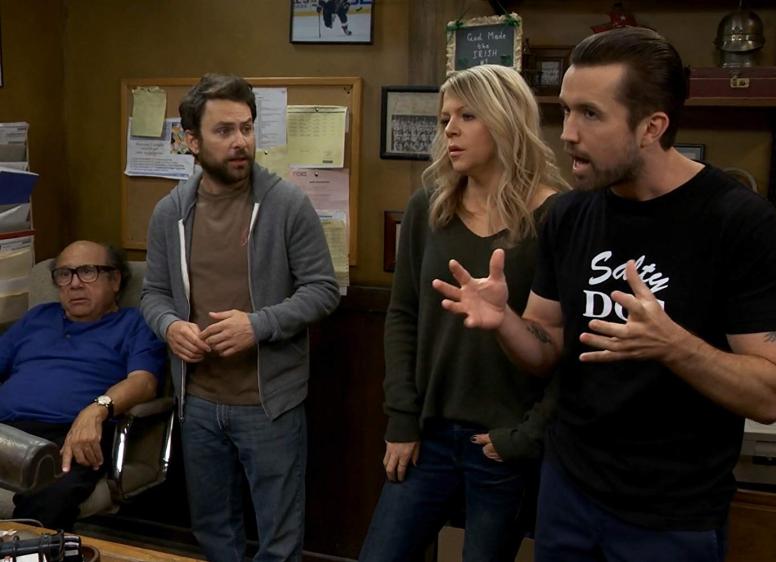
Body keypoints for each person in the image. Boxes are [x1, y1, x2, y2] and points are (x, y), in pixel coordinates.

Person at [433, 27, 776, 562]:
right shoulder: (570, 215)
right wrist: (504, 322)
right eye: (566, 111)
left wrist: (673, 345)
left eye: (590, 114)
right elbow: (546, 348)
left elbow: (768, 394)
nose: (568, 133)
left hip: (671, 514)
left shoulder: (738, 221)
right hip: (567, 492)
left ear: (652, 127)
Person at [359, 64, 568, 562]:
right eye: (444, 119)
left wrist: (527, 436)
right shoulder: (429, 208)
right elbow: (402, 316)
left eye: (467, 116)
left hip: (501, 443)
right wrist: (402, 420)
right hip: (429, 435)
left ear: (505, 120)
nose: (449, 129)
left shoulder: (556, 216)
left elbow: (572, 343)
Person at [140, 73, 340, 562]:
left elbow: (323, 290)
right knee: (214, 533)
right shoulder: (171, 212)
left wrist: (258, 325)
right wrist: (170, 326)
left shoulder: (287, 204)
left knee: (279, 541)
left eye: (247, 128)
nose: (240, 142)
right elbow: (154, 294)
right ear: (192, 141)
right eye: (224, 130)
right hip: (198, 403)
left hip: (268, 404)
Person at [0, 240, 166, 530]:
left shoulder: (134, 323)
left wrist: (96, 409)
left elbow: (144, 382)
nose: (74, 284)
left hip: (70, 435)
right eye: (64, 274)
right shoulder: (38, 317)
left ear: (115, 280)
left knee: (48, 498)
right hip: (6, 432)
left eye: (88, 272)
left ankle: (27, 551)